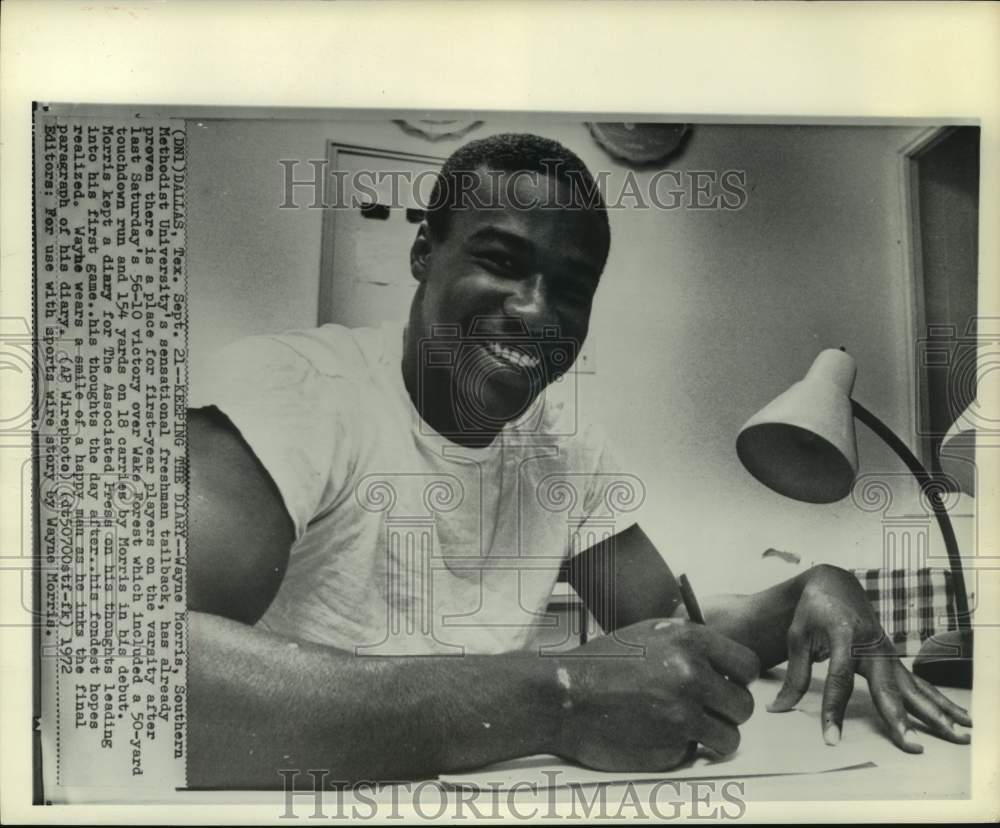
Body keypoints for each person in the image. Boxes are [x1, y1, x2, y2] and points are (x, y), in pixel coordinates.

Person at [187, 133, 971, 788]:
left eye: (570, 287)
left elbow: (673, 634)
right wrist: (559, 695)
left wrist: (814, 587)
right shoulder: (288, 388)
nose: (534, 310)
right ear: (425, 252)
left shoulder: (565, 451)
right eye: (499, 260)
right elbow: (150, 669)